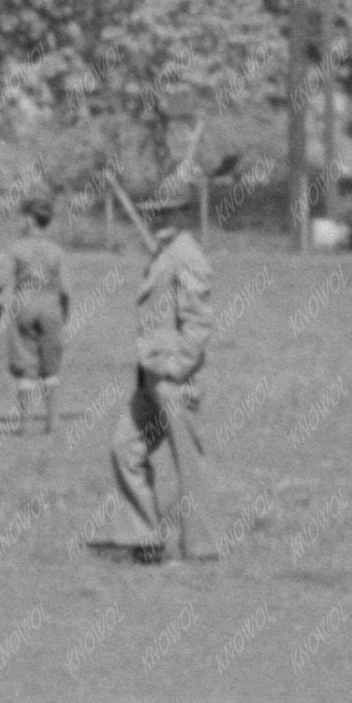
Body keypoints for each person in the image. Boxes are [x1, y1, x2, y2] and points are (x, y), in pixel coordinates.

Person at [108, 207, 221, 564]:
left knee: (189, 464)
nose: (151, 215)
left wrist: (178, 368)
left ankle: (201, 551)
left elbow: (199, 321)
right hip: (149, 376)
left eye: (161, 210)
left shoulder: (186, 254)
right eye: (150, 209)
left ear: (178, 211)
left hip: (173, 380)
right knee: (125, 447)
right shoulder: (165, 251)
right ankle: (145, 540)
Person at [2, 186, 72, 432]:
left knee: (25, 366)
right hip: (51, 307)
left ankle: (22, 424)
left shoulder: (17, 248)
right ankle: (51, 422)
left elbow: (2, 280)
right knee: (51, 367)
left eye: (24, 217)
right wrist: (65, 314)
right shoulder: (57, 251)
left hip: (24, 306)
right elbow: (65, 290)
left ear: (31, 220)